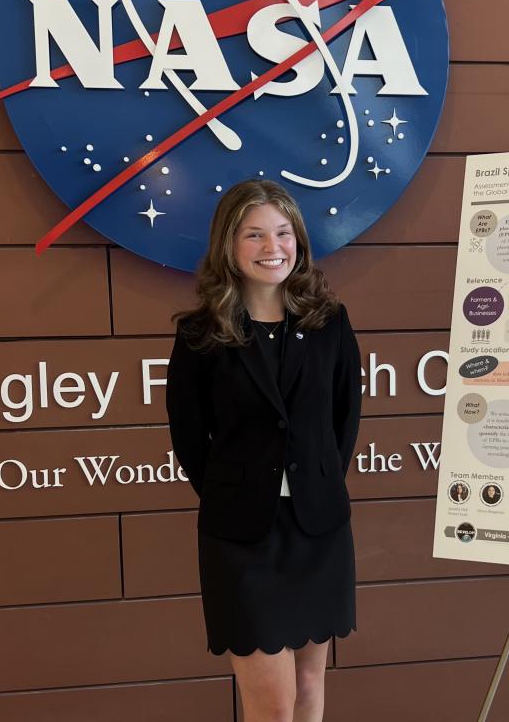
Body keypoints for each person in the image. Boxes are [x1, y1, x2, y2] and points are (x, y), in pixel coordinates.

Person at [166, 179, 362, 722]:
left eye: (282, 232)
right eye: (253, 234)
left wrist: (314, 480)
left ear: (298, 239)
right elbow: (189, 437)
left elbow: (344, 421)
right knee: (271, 705)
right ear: (229, 245)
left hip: (318, 529)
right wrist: (242, 489)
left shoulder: (329, 323)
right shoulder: (201, 334)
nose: (271, 246)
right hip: (242, 537)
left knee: (307, 686)